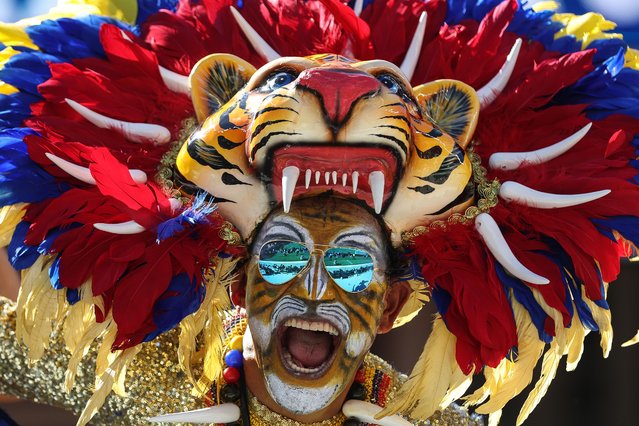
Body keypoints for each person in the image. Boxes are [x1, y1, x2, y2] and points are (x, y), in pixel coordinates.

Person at [2, 1, 639, 425]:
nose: (311, 290)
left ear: (390, 306)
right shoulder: (137, 390)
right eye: (278, 256)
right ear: (237, 290)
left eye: (352, 268)